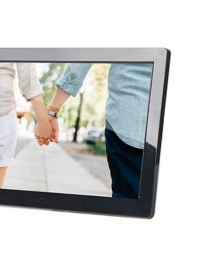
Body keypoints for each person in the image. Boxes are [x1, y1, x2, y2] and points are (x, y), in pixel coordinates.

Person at [39, 63, 152, 198]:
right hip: (141, 120)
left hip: (129, 116)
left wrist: (53, 110)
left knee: (126, 201)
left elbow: (81, 59)